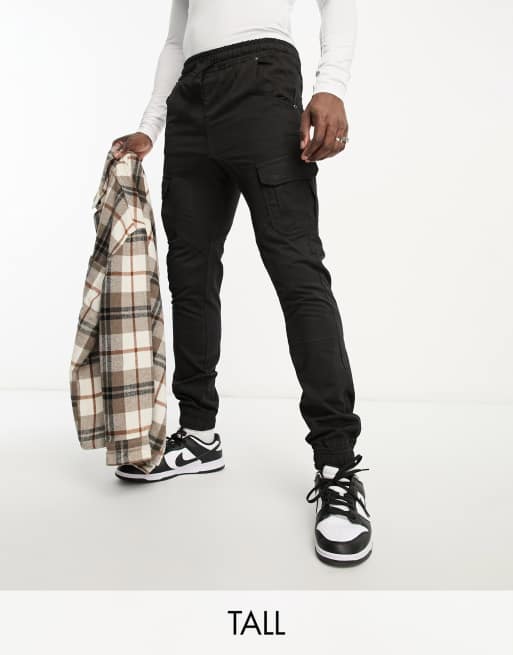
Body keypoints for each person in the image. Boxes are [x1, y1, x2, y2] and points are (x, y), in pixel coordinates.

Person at [112, 0, 372, 566]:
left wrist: (332, 85)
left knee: (297, 273)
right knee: (191, 274)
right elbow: (177, 38)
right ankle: (198, 435)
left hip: (261, 82)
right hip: (190, 101)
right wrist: (151, 124)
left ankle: (337, 465)